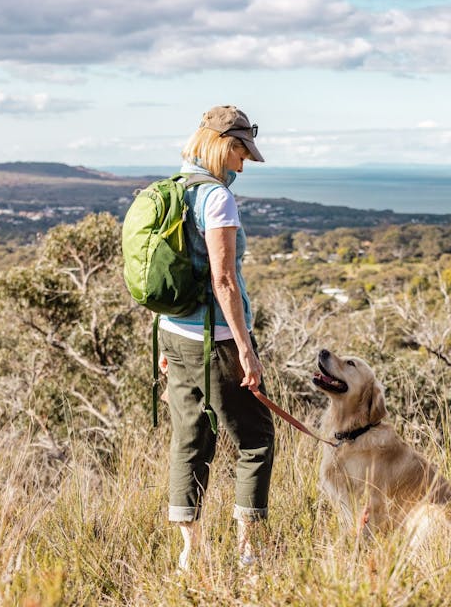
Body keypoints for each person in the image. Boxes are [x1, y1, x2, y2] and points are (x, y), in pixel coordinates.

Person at [157, 105, 274, 571]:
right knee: (256, 438)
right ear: (226, 146)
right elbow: (224, 282)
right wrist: (246, 351)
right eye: (242, 152)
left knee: (190, 439)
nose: (245, 163)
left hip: (174, 334)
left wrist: (168, 350)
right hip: (217, 338)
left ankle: (191, 552)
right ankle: (248, 550)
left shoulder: (169, 191)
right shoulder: (215, 198)